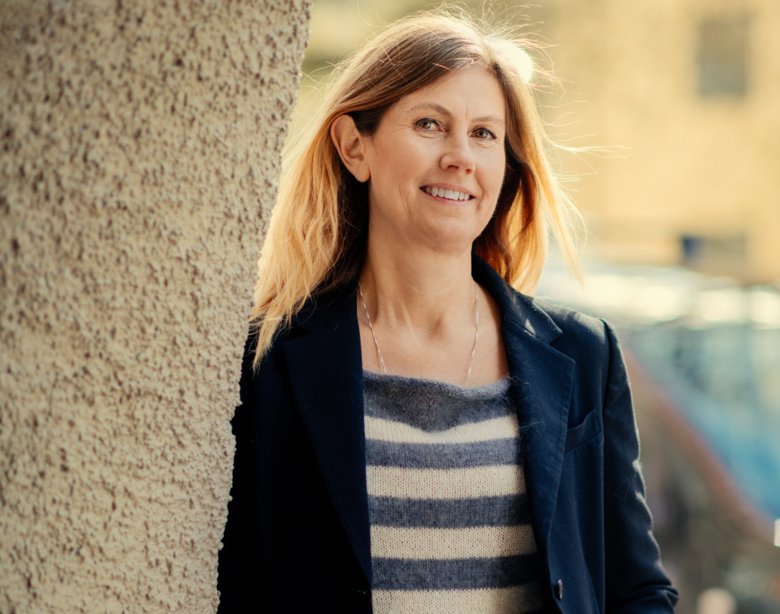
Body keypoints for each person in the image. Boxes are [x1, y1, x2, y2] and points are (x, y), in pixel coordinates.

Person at [217, 10, 678, 613]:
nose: (461, 156)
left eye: (485, 133)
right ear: (355, 148)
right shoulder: (268, 361)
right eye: (431, 124)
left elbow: (636, 589)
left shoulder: (582, 354)